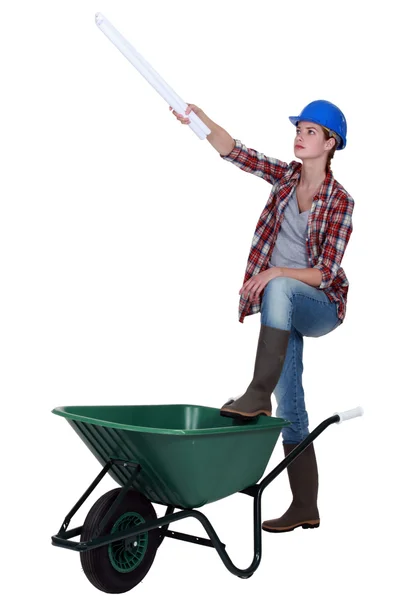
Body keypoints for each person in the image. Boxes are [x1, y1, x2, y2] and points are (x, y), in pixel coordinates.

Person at [170, 100, 354, 533]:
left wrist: (276, 271)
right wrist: (199, 119)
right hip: (280, 306)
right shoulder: (285, 178)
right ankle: (305, 507)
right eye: (299, 129)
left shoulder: (341, 200)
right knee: (290, 401)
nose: (300, 136)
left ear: (331, 143)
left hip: (320, 306)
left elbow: (326, 274)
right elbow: (237, 152)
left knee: (281, 285)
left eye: (311, 132)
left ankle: (256, 392)